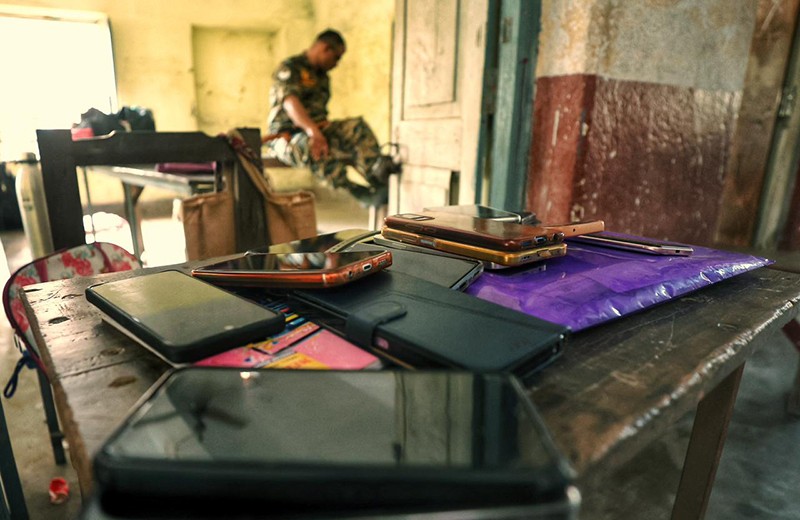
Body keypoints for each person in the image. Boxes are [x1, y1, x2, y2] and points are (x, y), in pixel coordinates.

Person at [264, 29, 398, 206]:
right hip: (285, 136)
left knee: (356, 127)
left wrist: (320, 131)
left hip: (317, 129)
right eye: (336, 57)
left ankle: (376, 175)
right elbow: (290, 103)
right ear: (325, 48)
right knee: (313, 146)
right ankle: (357, 191)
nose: (337, 64)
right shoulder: (291, 68)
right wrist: (313, 132)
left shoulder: (322, 77)